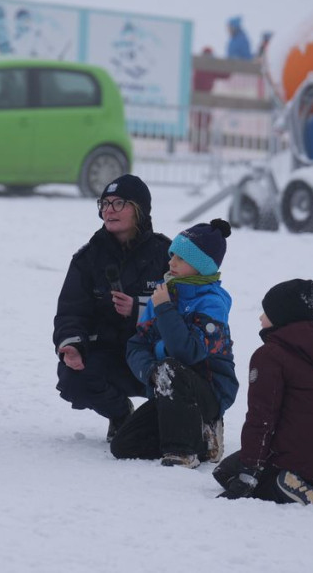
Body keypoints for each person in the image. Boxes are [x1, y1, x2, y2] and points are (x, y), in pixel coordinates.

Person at [213, 279, 313, 511]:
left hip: (294, 457)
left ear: (283, 317)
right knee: (232, 466)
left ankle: (287, 487)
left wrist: (250, 472)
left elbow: (261, 418)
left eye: (267, 312)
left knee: (225, 473)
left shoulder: (270, 355)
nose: (261, 317)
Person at [53, 174, 172, 442]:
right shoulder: (88, 258)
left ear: (140, 209)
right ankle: (120, 414)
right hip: (109, 355)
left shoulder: (167, 256)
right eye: (104, 203)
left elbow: (186, 312)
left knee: (188, 372)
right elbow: (70, 311)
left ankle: (177, 424)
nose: (108, 210)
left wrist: (139, 310)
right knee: (73, 376)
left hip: (153, 355)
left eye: (119, 203)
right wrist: (71, 345)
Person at [112, 219, 237, 468]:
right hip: (167, 389)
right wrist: (151, 372)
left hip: (207, 393)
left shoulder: (212, 303)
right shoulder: (164, 293)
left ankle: (183, 451)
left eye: (181, 258)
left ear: (202, 265)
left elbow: (188, 353)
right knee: (123, 446)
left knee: (170, 366)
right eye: (172, 256)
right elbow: (136, 345)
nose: (171, 263)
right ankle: (202, 439)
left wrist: (166, 309)